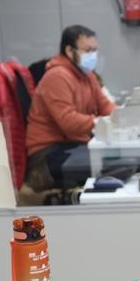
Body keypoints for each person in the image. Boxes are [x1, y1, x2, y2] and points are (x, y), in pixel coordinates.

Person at [23, 24, 116, 198]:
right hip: (47, 156)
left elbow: (105, 106)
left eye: (95, 50)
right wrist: (101, 122)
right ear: (69, 50)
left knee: (121, 161)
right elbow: (68, 122)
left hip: (73, 146)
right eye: (88, 50)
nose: (93, 56)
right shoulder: (56, 76)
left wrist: (120, 116)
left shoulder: (87, 75)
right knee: (113, 165)